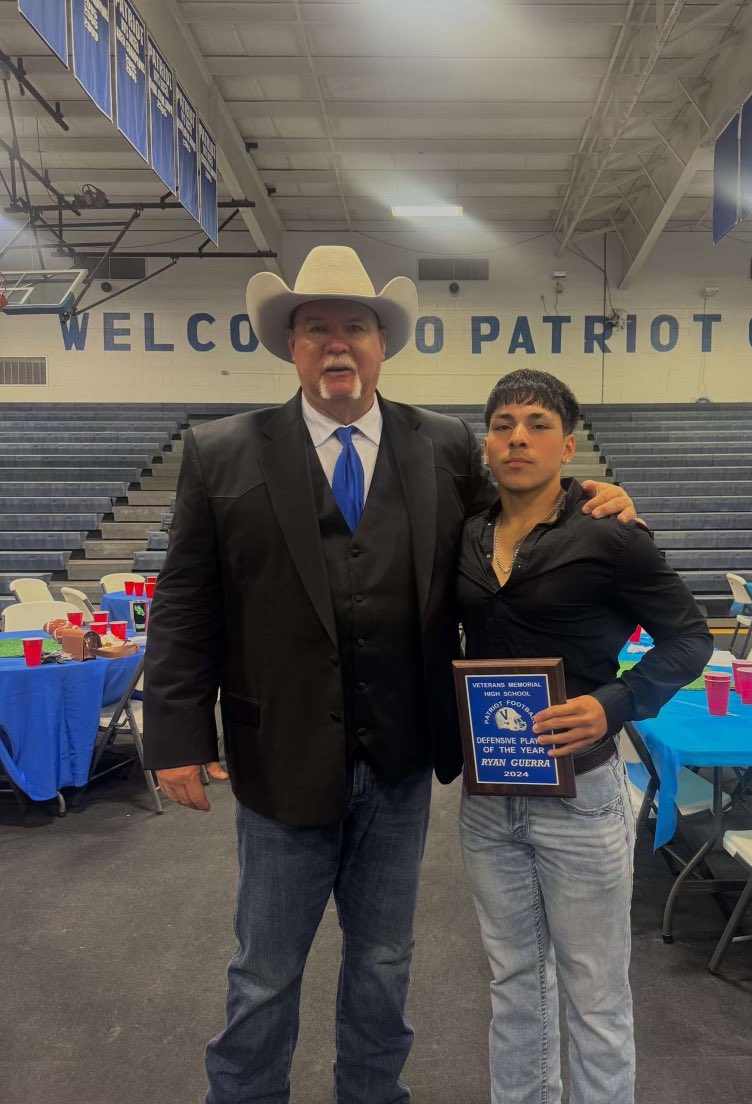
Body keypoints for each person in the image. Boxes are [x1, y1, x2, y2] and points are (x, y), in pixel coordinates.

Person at [141, 246, 638, 1104]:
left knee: (384, 959)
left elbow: (520, 514)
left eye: (356, 328)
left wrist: (599, 499)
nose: (338, 345)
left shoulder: (443, 445)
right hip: (280, 758)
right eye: (317, 329)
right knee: (264, 969)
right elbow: (185, 603)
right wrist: (175, 735)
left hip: (402, 758)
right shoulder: (220, 452)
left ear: (382, 344)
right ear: (290, 347)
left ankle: (373, 1095)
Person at [457, 369, 712, 1104]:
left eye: (537, 424)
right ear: (485, 445)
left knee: (594, 991)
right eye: (503, 423)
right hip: (489, 795)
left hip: (584, 795)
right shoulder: (467, 535)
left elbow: (689, 639)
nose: (518, 437)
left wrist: (617, 703)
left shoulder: (611, 535)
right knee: (511, 982)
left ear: (568, 445)